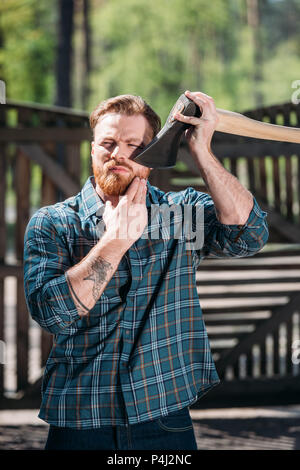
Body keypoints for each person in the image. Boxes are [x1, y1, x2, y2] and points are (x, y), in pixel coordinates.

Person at [23, 90, 268, 450]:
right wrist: (117, 240)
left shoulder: (180, 213)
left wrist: (202, 150)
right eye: (107, 143)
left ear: (153, 155)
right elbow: (51, 315)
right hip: (81, 419)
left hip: (163, 417)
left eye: (134, 145)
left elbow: (250, 235)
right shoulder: (54, 223)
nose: (118, 154)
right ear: (92, 149)